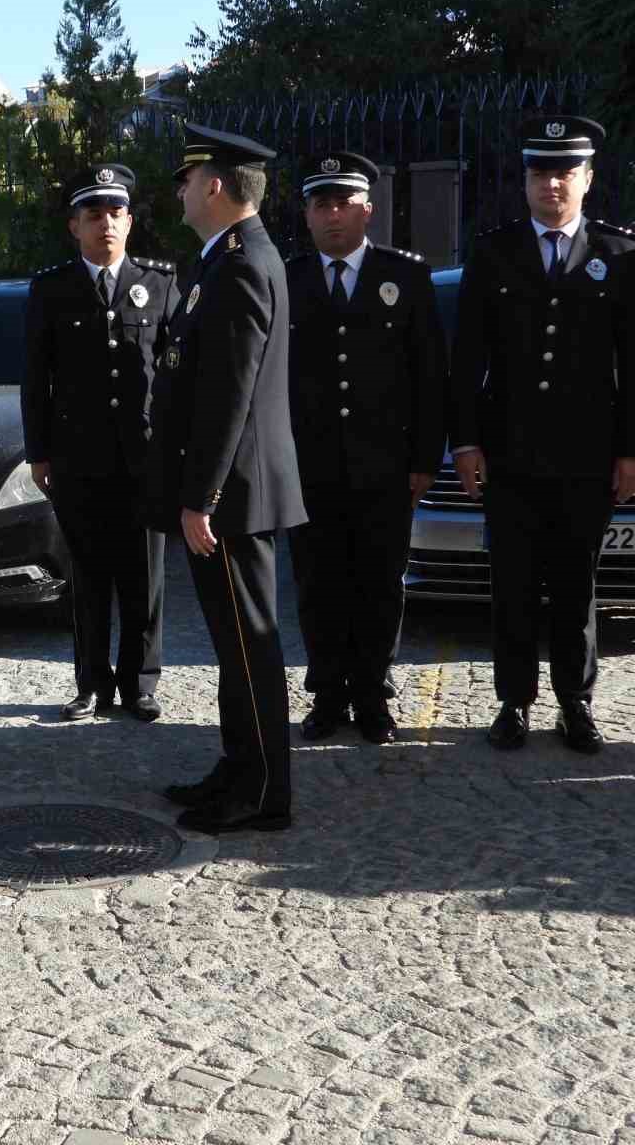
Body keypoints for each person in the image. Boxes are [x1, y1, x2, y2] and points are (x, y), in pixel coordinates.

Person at [450, 115, 635, 754]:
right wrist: (466, 442)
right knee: (515, 583)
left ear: (587, 179)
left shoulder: (618, 254)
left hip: (586, 454)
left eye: (564, 172)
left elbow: (632, 364)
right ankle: (514, 701)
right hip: (511, 452)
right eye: (539, 172)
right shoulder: (495, 251)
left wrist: (630, 450)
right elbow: (467, 355)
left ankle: (576, 703)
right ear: (525, 180)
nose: (551, 184)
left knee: (578, 584)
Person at [149, 124, 306, 835]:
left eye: (186, 179)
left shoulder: (241, 265)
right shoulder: (224, 260)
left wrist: (201, 498)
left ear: (214, 184)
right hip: (229, 492)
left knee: (251, 644)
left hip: (234, 496)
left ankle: (265, 789)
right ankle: (238, 764)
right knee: (233, 643)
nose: (179, 191)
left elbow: (230, 397)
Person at [286, 151, 445, 745]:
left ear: (368, 211)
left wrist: (425, 459)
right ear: (306, 214)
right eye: (322, 204)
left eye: (344, 203)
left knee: (380, 583)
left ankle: (374, 692)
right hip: (310, 466)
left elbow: (430, 375)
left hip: (385, 466)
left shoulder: (405, 277)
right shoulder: (290, 279)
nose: (333, 215)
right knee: (317, 583)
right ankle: (327, 693)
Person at [22, 164, 176, 724]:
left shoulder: (160, 283)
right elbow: (36, 378)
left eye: (115, 213)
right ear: (75, 226)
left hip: (143, 456)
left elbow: (173, 373)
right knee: (87, 576)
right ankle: (91, 683)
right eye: (94, 215)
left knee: (144, 576)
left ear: (130, 221)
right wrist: (39, 451)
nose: (105, 224)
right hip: (78, 459)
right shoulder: (52, 289)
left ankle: (140, 683)